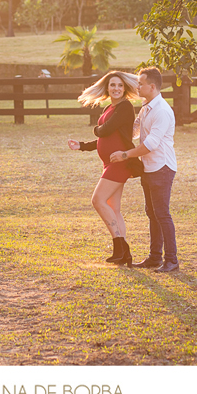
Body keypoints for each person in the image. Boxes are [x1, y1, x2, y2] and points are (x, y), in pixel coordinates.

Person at [109, 66, 179, 273]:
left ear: (152, 86)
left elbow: (151, 144)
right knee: (152, 212)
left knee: (162, 214)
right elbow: (134, 130)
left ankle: (172, 260)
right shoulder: (146, 106)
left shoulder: (162, 111)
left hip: (161, 167)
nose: (137, 86)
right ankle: (155, 257)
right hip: (149, 167)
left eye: (140, 84)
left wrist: (125, 155)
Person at [68, 71, 141, 266]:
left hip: (120, 162)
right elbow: (104, 137)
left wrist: (96, 129)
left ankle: (120, 246)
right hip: (109, 163)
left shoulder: (125, 107)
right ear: (107, 88)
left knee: (98, 200)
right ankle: (123, 253)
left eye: (119, 85)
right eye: (112, 85)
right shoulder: (110, 107)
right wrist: (82, 145)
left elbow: (105, 130)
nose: (116, 88)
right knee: (114, 208)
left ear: (124, 88)